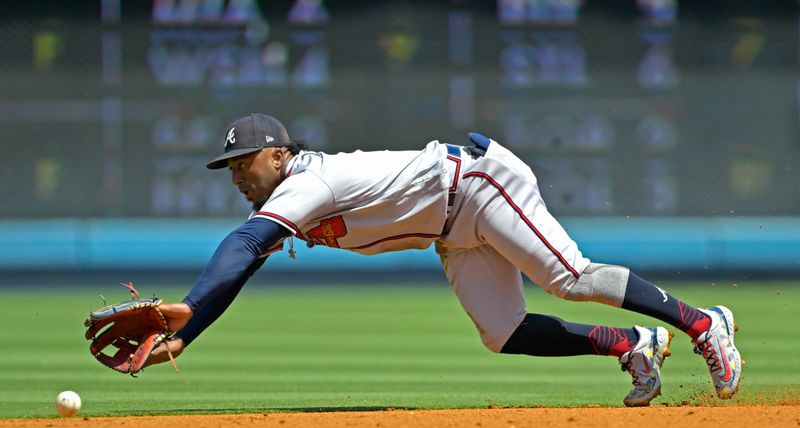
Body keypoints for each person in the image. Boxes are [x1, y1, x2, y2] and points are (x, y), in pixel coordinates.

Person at [151, 113, 743, 406]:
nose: (237, 174)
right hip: (451, 228)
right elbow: (246, 264)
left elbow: (243, 245)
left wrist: (192, 305)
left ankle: (703, 324)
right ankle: (631, 345)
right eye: (230, 167)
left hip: (478, 184)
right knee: (501, 332)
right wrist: (187, 336)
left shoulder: (309, 183)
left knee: (569, 277)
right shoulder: (292, 197)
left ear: (279, 155)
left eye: (245, 162)